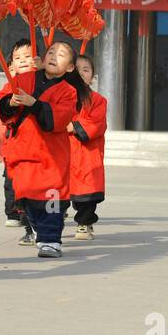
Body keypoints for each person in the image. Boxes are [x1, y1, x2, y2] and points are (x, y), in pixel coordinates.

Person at [0, 41, 91, 258]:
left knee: (51, 199)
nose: (54, 56)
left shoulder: (69, 92)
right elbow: (1, 106)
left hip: (50, 156)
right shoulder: (23, 79)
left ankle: (50, 239)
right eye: (51, 51)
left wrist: (34, 104)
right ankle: (40, 229)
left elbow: (59, 118)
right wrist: (10, 102)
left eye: (62, 54)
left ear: (69, 67)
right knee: (26, 197)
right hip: (23, 153)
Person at [67, 53, 107, 241]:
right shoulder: (60, 96)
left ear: (92, 76)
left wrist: (74, 126)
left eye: (86, 69)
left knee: (87, 192)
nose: (81, 73)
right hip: (64, 152)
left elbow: (97, 124)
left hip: (87, 153)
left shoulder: (98, 100)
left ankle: (84, 223)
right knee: (60, 191)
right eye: (77, 68)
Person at [1, 39, 36, 239]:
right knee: (13, 184)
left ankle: (35, 227)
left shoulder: (43, 82)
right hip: (16, 148)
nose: (22, 60)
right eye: (17, 58)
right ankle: (19, 217)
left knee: (34, 188)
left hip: (39, 149)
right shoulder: (10, 86)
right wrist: (10, 101)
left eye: (27, 56)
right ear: (11, 65)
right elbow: (1, 107)